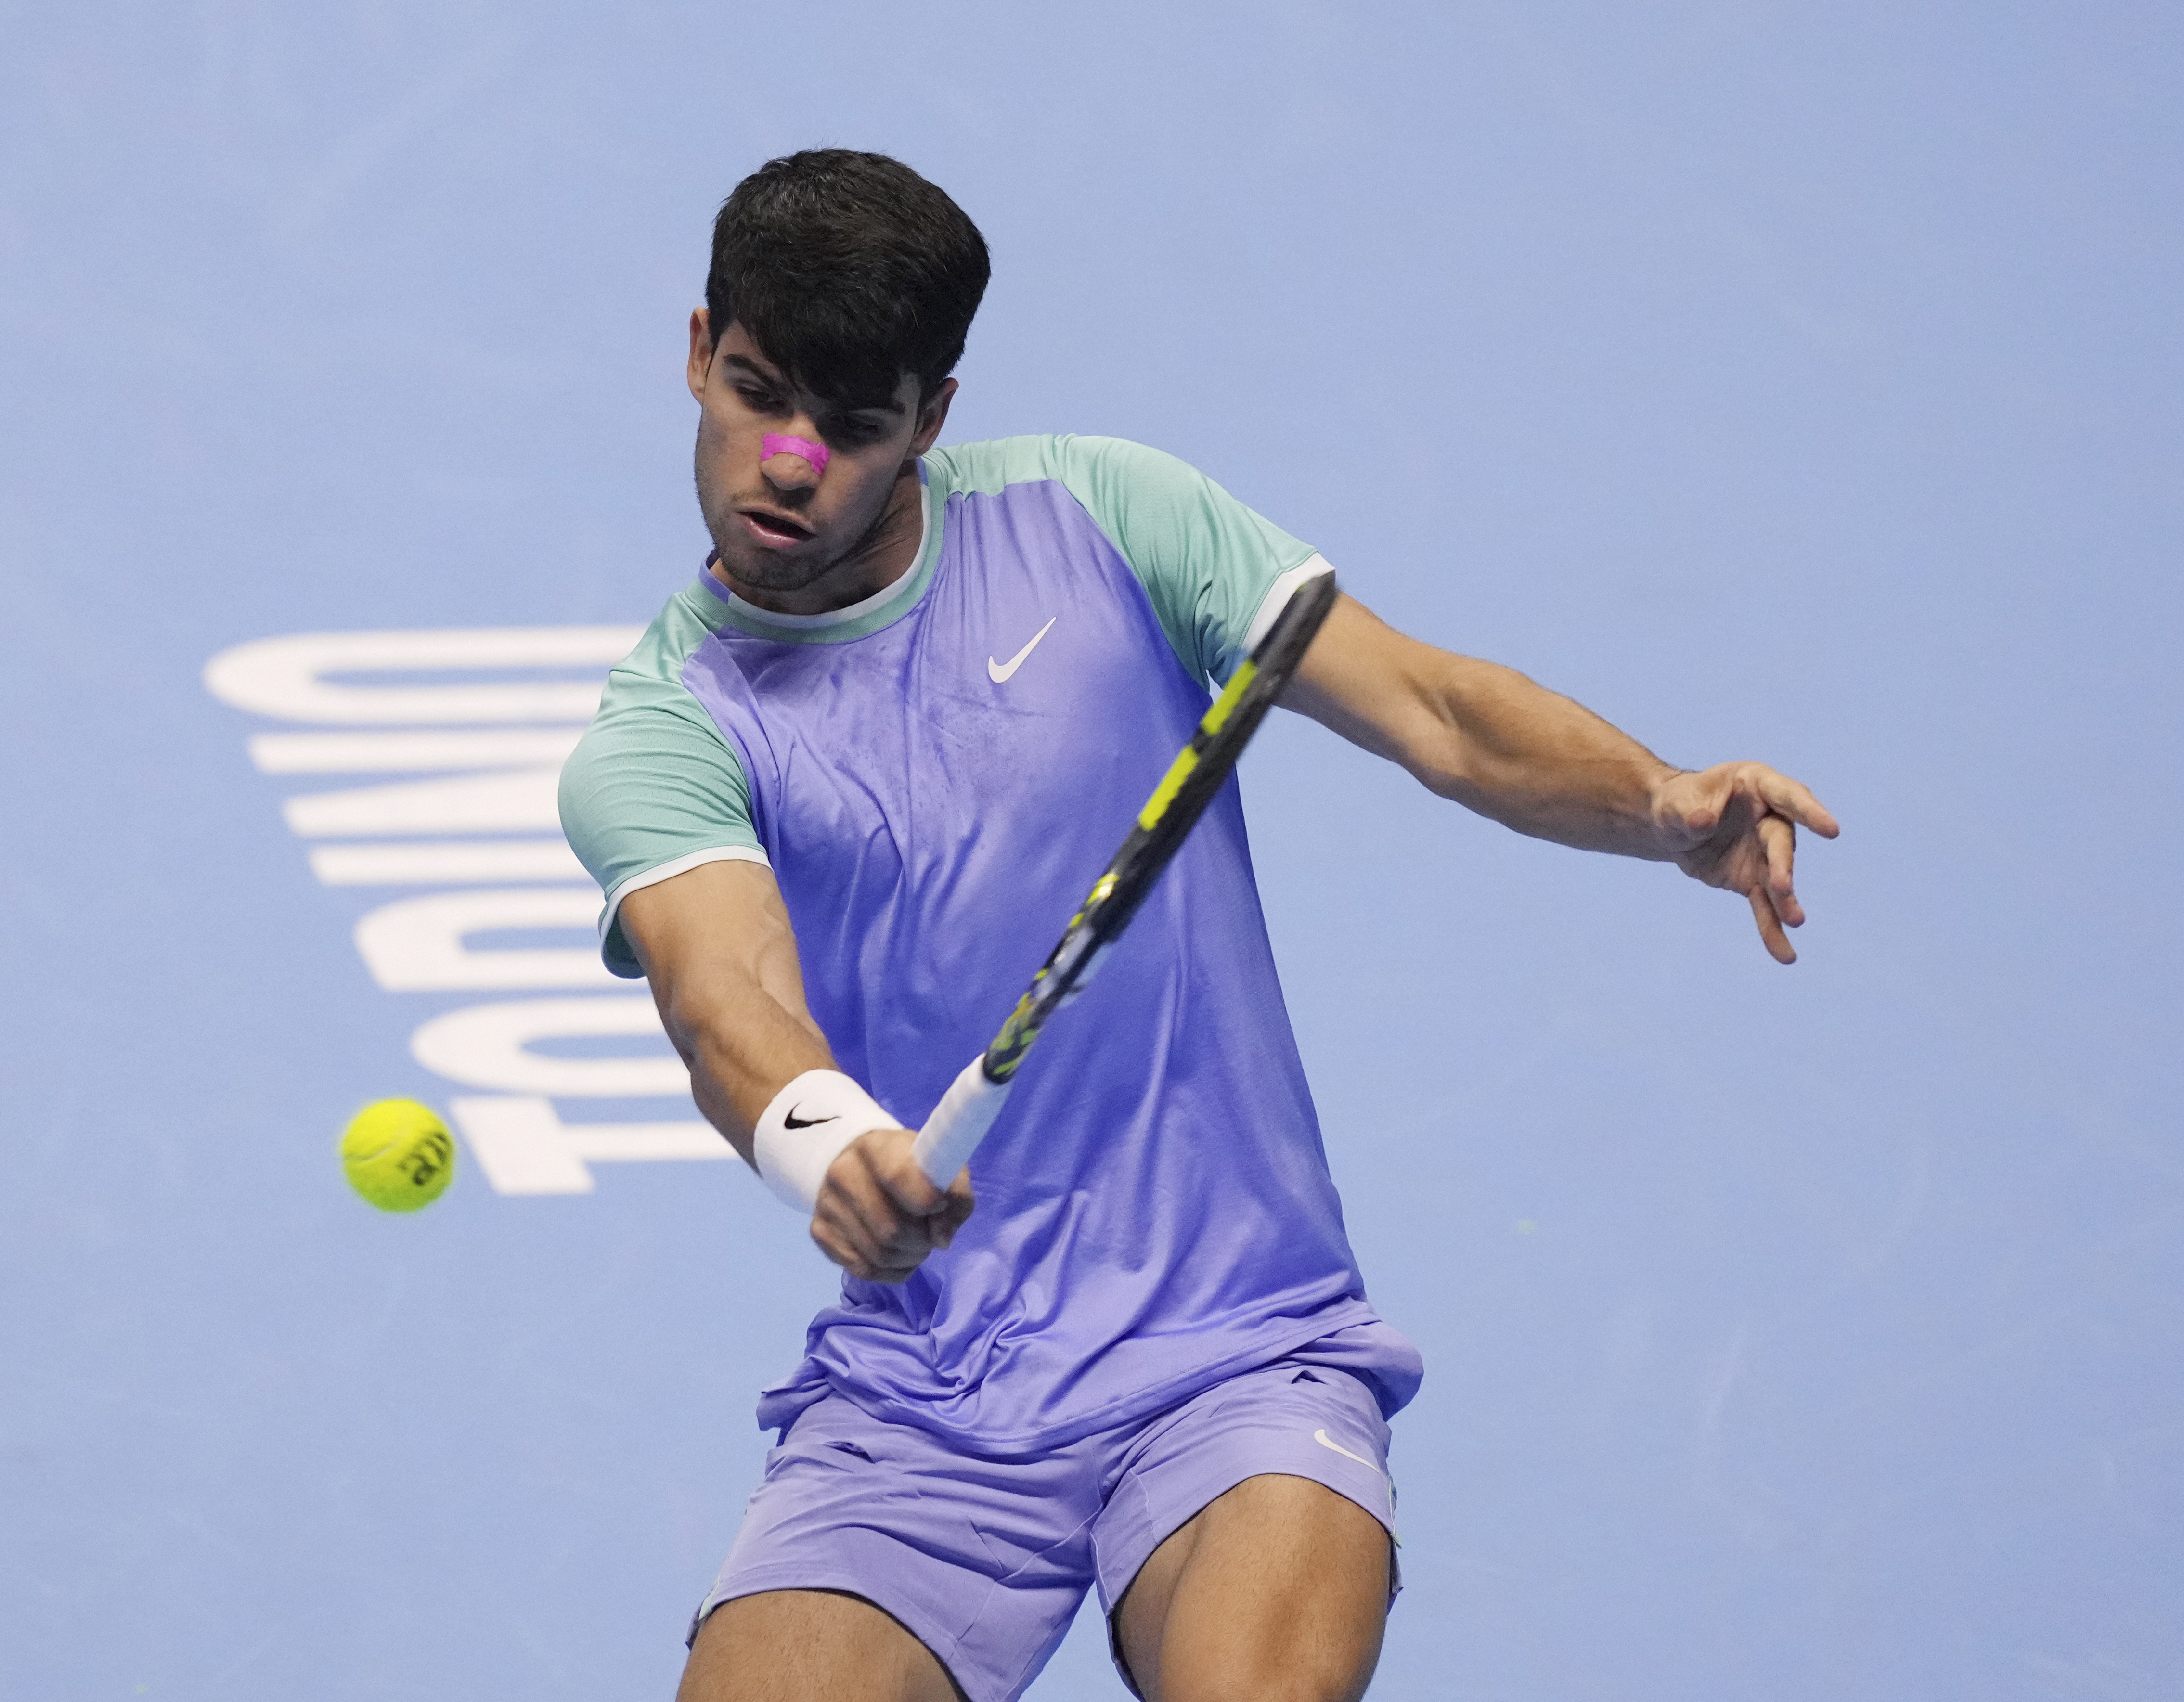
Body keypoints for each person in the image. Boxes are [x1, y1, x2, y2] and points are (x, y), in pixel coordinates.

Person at [557, 150, 1837, 1702]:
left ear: (932, 421)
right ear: (701, 349)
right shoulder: (664, 729)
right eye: (759, 391)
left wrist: (1655, 800)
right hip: (924, 1402)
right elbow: (725, 995)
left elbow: (1433, 709)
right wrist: (824, 1143)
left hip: (1235, 1350)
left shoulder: (1104, 515)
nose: (791, 461)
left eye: (853, 423)